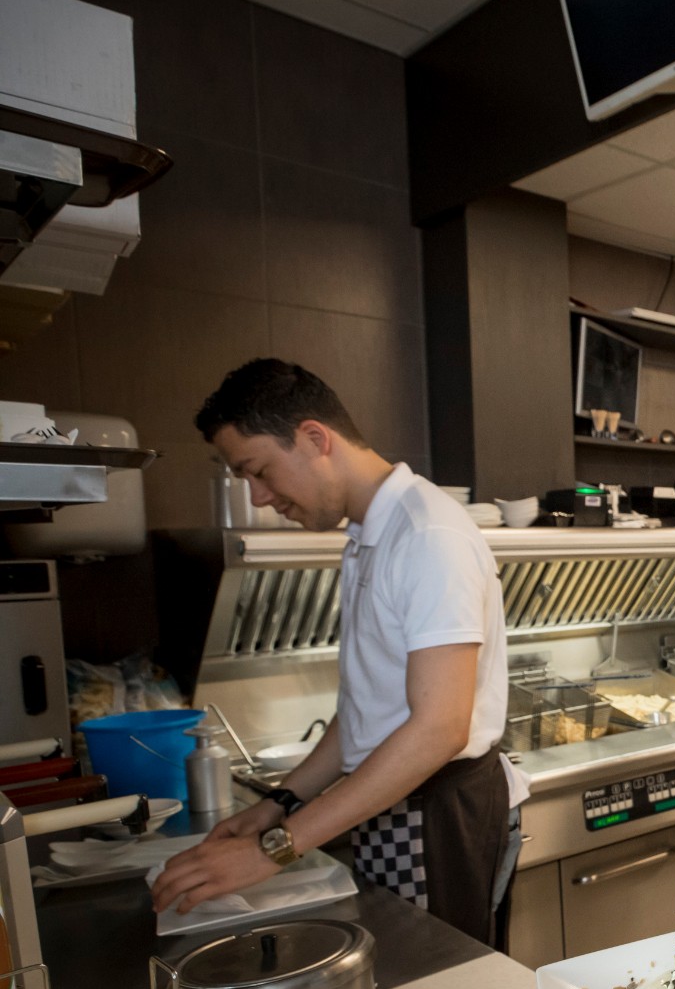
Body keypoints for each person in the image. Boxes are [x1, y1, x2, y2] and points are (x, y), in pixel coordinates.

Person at [152, 359, 527, 945]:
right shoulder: (367, 535)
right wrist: (278, 803)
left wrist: (274, 851)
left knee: (440, 987)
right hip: (394, 800)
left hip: (436, 812)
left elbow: (439, 729)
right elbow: (365, 712)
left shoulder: (427, 535)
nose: (260, 495)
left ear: (313, 438)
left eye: (259, 471)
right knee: (402, 976)